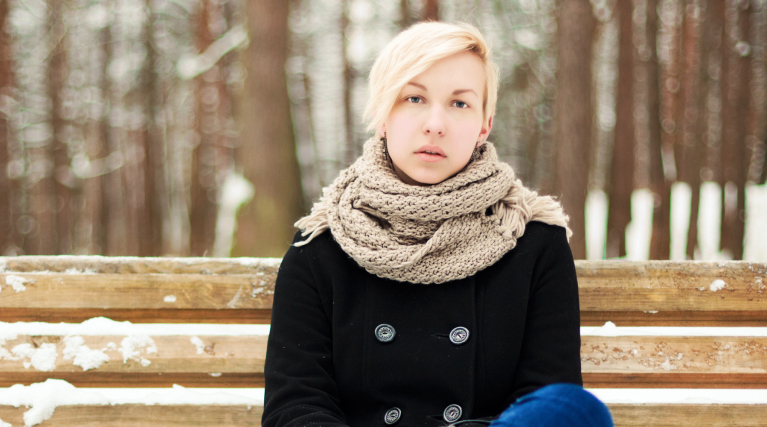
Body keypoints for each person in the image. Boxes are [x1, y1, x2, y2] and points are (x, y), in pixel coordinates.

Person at [261, 22, 613, 427]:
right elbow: (295, 406)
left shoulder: (533, 242)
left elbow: (547, 401)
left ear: (484, 125)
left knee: (576, 412)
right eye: (414, 98)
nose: (435, 124)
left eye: (459, 103)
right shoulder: (322, 246)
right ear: (383, 115)